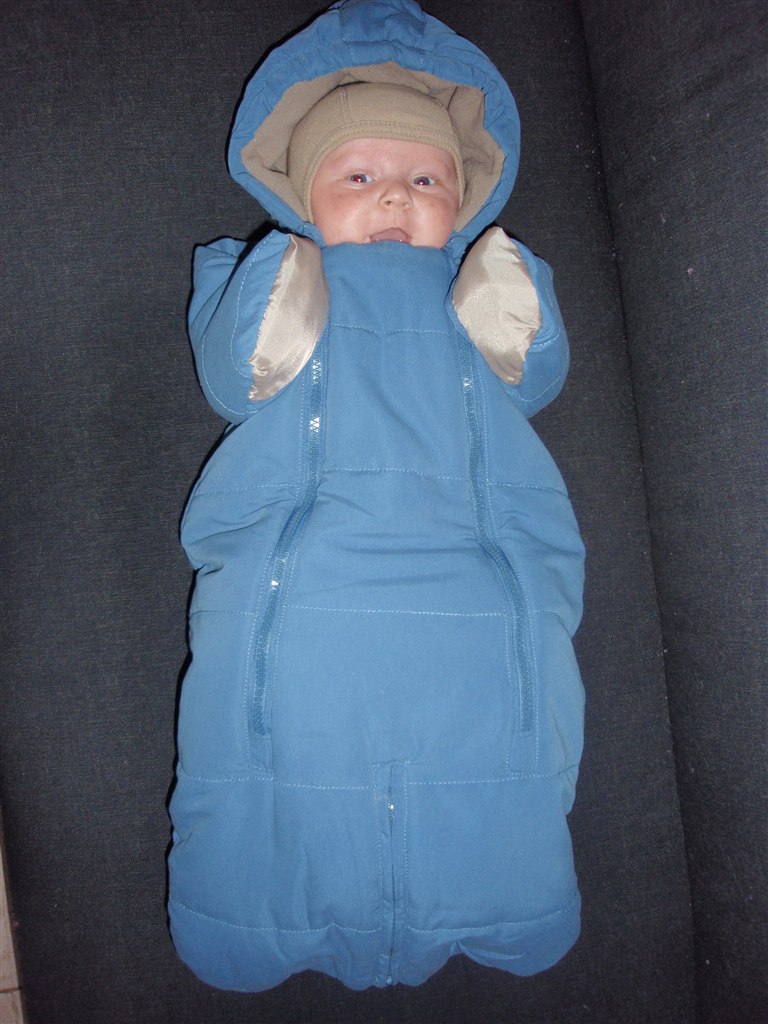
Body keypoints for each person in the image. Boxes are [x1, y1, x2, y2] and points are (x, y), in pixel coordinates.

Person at [168, 0, 586, 993]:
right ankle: (262, 904)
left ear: (465, 199)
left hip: (472, 597)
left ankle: (497, 894)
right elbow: (233, 376)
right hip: (307, 596)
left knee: (493, 734)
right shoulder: (269, 280)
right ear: (303, 195)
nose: (397, 193)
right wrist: (278, 281)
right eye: (359, 175)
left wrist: (508, 292)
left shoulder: (480, 291)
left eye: (426, 178)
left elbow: (537, 373)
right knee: (277, 732)